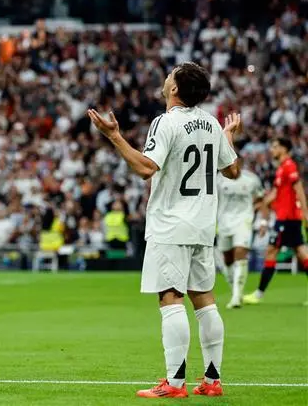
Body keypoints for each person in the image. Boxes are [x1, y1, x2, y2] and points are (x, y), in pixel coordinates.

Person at [88, 62, 241, 398]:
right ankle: (213, 381)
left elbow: (145, 168)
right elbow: (233, 170)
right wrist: (227, 137)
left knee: (170, 298)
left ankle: (174, 384)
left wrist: (113, 136)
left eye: (171, 74)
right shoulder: (212, 123)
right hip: (203, 225)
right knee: (204, 300)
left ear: (174, 89)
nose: (166, 77)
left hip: (171, 224)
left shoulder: (166, 122)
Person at [243, 137, 308, 305]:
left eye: (275, 146)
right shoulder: (281, 169)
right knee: (301, 253)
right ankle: (258, 294)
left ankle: (258, 294)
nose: (272, 149)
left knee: (272, 251)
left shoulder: (289, 166)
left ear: (284, 149)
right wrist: (260, 204)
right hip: (286, 218)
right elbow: (276, 194)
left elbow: (299, 189)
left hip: (287, 219)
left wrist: (306, 214)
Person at [216, 157, 264, 309]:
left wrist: (262, 221)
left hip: (243, 222)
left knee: (240, 253)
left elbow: (261, 199)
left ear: (241, 165)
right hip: (223, 222)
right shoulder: (218, 180)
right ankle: (235, 291)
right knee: (228, 259)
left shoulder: (251, 179)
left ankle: (237, 295)